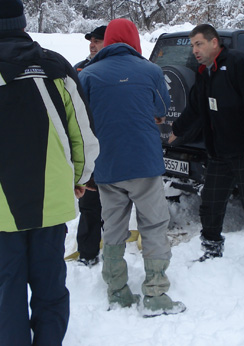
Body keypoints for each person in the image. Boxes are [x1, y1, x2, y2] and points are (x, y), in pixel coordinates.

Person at [0, 0, 99, 346]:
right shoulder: (56, 67)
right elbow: (83, 133)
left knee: (9, 290)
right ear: (24, 25)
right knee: (50, 287)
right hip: (52, 202)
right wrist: (80, 177)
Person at [78, 18, 185, 316]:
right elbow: (161, 110)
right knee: (153, 225)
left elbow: (83, 121)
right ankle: (155, 294)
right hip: (144, 164)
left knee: (113, 227)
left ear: (108, 41)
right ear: (134, 40)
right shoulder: (151, 71)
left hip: (108, 165)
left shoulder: (88, 74)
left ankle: (117, 291)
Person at [168, 23, 244, 282]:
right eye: (193, 46)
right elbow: (197, 107)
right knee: (211, 204)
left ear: (214, 43)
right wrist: (176, 129)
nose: (195, 50)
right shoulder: (205, 72)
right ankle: (211, 249)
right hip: (219, 153)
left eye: (199, 44)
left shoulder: (238, 64)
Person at [73, 25, 107, 267]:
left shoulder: (117, 68)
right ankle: (87, 253)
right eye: (91, 41)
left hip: (114, 145)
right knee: (89, 203)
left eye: (98, 41)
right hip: (89, 148)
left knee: (117, 202)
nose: (92, 45)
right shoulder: (78, 69)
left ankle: (117, 248)